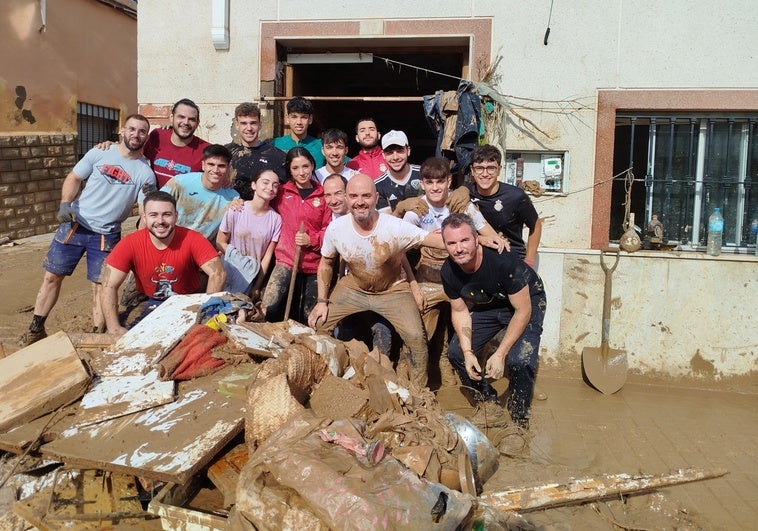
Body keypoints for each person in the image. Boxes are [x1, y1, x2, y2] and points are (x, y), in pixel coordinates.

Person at [21, 114, 156, 345]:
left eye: (142, 131)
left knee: (102, 285)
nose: (136, 135)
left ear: (146, 136)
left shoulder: (145, 173)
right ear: (123, 130)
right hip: (75, 225)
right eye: (132, 129)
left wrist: (141, 240)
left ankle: (97, 332)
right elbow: (74, 177)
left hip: (107, 234)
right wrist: (65, 202)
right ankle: (36, 328)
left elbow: (145, 210)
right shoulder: (100, 152)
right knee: (52, 276)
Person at [307, 174, 452, 388]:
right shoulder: (336, 229)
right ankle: (324, 383)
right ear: (347, 199)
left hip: (392, 290)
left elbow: (433, 240)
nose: (360, 201)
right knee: (319, 325)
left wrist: (473, 241)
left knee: (416, 338)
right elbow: (326, 264)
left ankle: (420, 394)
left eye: (366, 196)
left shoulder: (394, 227)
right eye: (354, 196)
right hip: (354, 287)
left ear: (376, 198)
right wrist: (321, 301)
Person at [401, 157, 506, 386]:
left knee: (463, 327)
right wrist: (413, 286)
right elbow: (400, 247)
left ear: (449, 181)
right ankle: (413, 379)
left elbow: (487, 232)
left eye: (440, 181)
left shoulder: (461, 204)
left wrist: (495, 242)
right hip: (427, 277)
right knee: (421, 331)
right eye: (430, 182)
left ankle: (452, 368)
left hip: (460, 277)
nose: (436, 187)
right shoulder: (416, 209)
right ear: (422, 184)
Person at [440, 213, 546, 430]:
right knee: (457, 354)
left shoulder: (503, 263)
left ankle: (518, 424)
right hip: (489, 302)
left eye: (464, 240)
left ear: (477, 239)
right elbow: (460, 311)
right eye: (451, 243)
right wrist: (468, 353)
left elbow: (522, 310)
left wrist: (500, 354)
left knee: (520, 360)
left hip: (525, 301)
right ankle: (489, 405)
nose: (458, 248)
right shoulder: (448, 271)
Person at [100, 191, 225, 335]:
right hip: (149, 300)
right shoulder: (130, 243)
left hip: (189, 299)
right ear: (144, 218)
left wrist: (207, 311)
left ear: (176, 216)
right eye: (153, 215)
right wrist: (113, 327)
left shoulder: (193, 238)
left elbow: (218, 273)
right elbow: (108, 285)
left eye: (167, 214)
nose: (160, 221)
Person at [261, 147, 331, 323]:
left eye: (306, 166)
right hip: (286, 261)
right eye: (296, 168)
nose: (302, 172)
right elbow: (261, 205)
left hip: (313, 265)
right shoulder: (281, 192)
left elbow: (329, 230)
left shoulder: (323, 195)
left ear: (313, 166)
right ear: (289, 170)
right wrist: (238, 204)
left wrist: (312, 239)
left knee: (309, 317)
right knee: (269, 309)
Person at [466, 144, 542, 268]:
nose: (485, 174)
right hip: (476, 262)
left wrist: (529, 261)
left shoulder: (516, 196)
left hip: (511, 260)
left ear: (499, 170)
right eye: (479, 168)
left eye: (491, 168)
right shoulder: (464, 193)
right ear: (472, 170)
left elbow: (536, 225)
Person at [216, 169, 282, 297]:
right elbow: (220, 242)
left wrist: (257, 286)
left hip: (250, 277)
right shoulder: (237, 209)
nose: (270, 188)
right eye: (265, 182)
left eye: (275, 185)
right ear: (253, 185)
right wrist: (239, 261)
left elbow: (267, 257)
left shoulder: (276, 219)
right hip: (227, 270)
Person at [160, 144, 240, 241]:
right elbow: (154, 207)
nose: (215, 170)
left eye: (221, 166)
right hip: (171, 241)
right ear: (203, 165)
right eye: (211, 164)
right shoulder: (180, 183)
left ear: (228, 169)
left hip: (203, 250)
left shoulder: (233, 198)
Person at [143, 98, 211, 187]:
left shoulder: (207, 151)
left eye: (191, 119)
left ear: (197, 123)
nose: (186, 122)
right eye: (181, 117)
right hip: (153, 199)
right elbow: (136, 159)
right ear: (172, 118)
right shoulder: (157, 136)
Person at [225, 102, 286, 198]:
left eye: (253, 123)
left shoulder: (277, 156)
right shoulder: (225, 153)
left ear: (260, 125)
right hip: (231, 208)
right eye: (244, 123)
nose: (249, 128)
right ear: (237, 125)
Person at [374, 130, 422, 213]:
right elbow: (386, 220)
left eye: (400, 151)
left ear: (408, 150)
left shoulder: (424, 173)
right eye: (389, 152)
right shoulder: (377, 186)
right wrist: (400, 209)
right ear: (383, 155)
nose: (395, 157)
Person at [271, 97, 325, 167]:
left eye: (303, 117)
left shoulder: (321, 146)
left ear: (310, 119)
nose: (299, 122)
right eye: (294, 117)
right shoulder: (276, 144)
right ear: (287, 118)